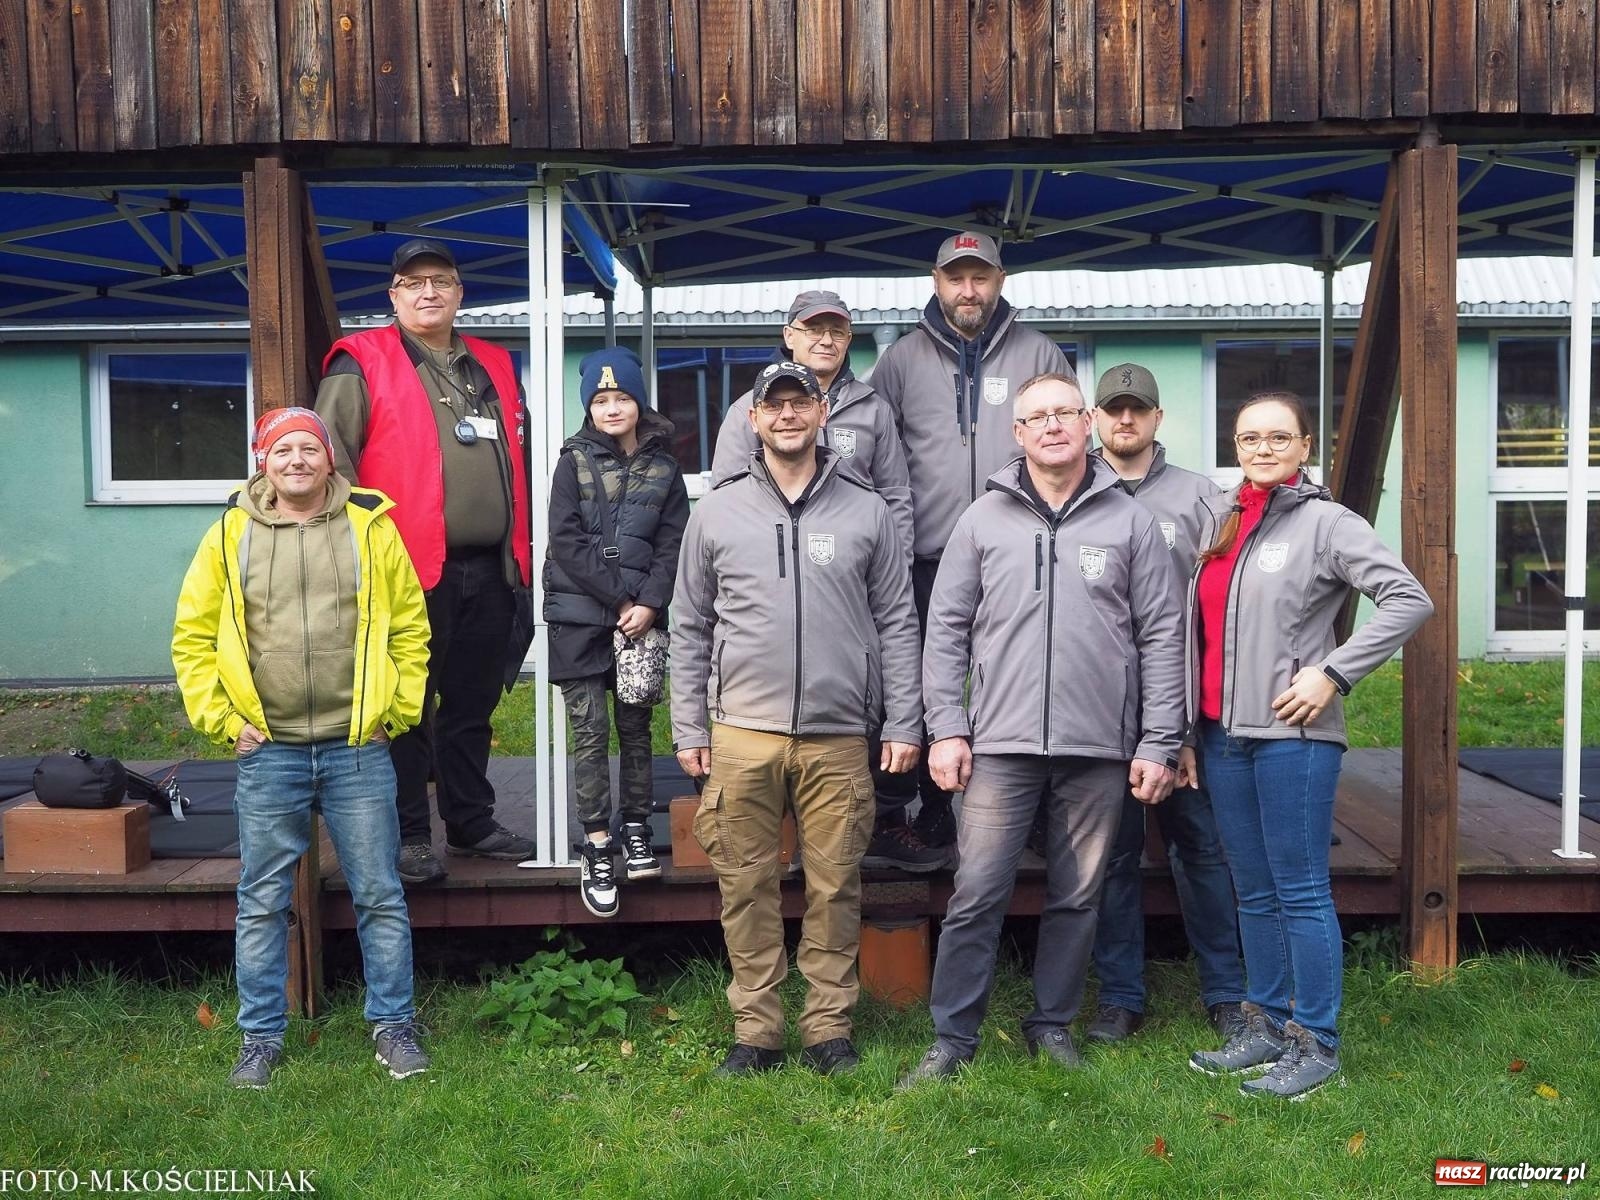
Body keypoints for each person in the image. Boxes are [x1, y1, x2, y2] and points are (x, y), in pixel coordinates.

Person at [899, 373, 1186, 1086]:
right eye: (1037, 417)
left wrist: (1158, 740)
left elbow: (1163, 635)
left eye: (1064, 412)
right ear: (1018, 434)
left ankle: (1051, 1023)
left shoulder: (1128, 522)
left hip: (1098, 749)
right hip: (998, 743)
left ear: (1087, 424)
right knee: (977, 894)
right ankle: (952, 1040)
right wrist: (946, 728)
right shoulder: (982, 520)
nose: (1053, 425)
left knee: (1077, 896)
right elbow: (946, 634)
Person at [671, 360, 922, 1076]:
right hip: (742, 731)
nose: (786, 415)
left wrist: (903, 720)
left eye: (799, 403)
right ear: (753, 420)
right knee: (744, 885)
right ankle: (755, 1032)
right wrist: (690, 726)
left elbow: (898, 621)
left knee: (836, 886)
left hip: (840, 732)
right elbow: (689, 624)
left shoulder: (866, 509)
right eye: (772, 405)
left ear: (820, 415)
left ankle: (828, 1029)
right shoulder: (717, 511)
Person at [172, 408, 431, 1088]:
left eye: (308, 449)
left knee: (379, 892)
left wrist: (393, 714)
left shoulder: (370, 527)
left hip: (356, 747)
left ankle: (395, 1026)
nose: (296, 461)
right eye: (282, 450)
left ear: (328, 461)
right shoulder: (229, 535)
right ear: (264, 461)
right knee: (262, 899)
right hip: (270, 750)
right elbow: (193, 637)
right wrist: (227, 722)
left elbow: (410, 628)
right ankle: (259, 1037)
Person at [1186, 390, 1433, 1100]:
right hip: (1223, 734)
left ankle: (1316, 1041)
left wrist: (1333, 671)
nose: (1262, 449)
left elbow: (1409, 599)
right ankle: (1262, 1026)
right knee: (1254, 889)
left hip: (1294, 736)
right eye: (1249, 437)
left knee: (1298, 890)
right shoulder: (1225, 519)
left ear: (1304, 448)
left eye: (1277, 438)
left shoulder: (1328, 523)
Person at [316, 238, 536, 885]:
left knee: (472, 704)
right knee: (406, 708)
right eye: (413, 283)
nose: (428, 292)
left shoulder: (493, 362)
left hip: (491, 567)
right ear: (393, 296)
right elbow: (332, 463)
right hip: (404, 569)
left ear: (460, 292)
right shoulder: (360, 362)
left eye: (440, 280)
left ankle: (470, 822)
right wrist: (356, 557)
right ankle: (411, 833)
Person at [711, 289, 932, 872]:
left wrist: (892, 569)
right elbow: (730, 501)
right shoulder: (745, 411)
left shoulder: (873, 408)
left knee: (868, 697)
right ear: (789, 335)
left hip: (855, 581)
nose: (825, 339)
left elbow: (897, 498)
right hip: (776, 591)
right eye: (812, 329)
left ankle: (882, 819)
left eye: (836, 329)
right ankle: (782, 832)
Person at [871, 231, 1074, 857]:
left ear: (1000, 280)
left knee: (1024, 675)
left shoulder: (1040, 353)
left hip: (1020, 555)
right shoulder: (901, 360)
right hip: (928, 557)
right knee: (924, 683)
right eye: (956, 277)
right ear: (936, 282)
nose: (968, 289)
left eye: (979, 277)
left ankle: (1034, 808)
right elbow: (880, 457)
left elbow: (1068, 442)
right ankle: (931, 809)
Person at [1082, 363, 1248, 1046]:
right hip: (1096, 712)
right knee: (1111, 859)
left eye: (1138, 410)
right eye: (1114, 410)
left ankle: (1229, 993)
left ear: (1157, 419)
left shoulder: (1201, 498)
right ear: (1096, 419)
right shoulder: (1071, 490)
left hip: (1184, 710)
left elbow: (1226, 607)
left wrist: (1191, 718)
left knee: (1201, 852)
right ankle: (1121, 997)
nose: (1126, 421)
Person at [545, 346, 689, 918]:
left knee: (635, 730)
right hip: (581, 618)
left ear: (639, 401)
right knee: (589, 733)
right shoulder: (572, 461)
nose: (612, 408)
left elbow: (672, 541)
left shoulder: (665, 465)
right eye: (601, 400)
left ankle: (636, 827)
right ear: (588, 407)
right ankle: (598, 843)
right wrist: (621, 597)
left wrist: (652, 602)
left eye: (622, 397)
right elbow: (566, 540)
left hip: (641, 622)